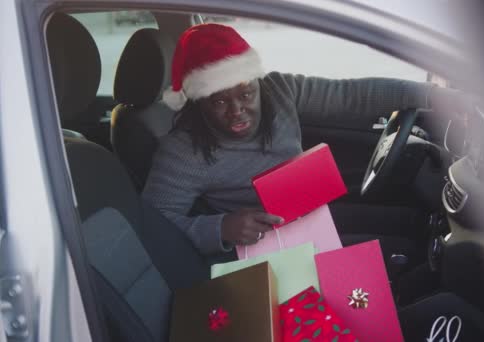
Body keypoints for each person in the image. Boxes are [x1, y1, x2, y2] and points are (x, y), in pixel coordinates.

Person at [142, 23, 467, 260]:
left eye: (245, 93)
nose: (237, 110)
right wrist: (221, 228)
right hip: (266, 241)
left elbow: (351, 96)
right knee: (405, 252)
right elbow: (151, 227)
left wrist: (433, 97)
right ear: (199, 102)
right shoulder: (182, 151)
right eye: (219, 102)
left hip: (306, 203)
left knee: (414, 224)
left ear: (257, 83)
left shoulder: (278, 90)